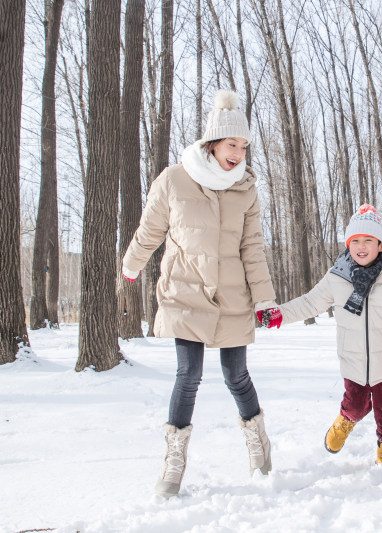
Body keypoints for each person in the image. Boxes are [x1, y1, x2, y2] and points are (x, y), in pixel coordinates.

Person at [122, 90, 277, 499]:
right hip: (185, 292)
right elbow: (151, 228)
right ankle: (174, 461)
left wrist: (264, 299)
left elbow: (252, 248)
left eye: (244, 146)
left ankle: (258, 442)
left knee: (235, 376)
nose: (239, 153)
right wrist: (132, 263)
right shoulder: (174, 178)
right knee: (187, 375)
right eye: (232, 144)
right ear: (212, 143)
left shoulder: (246, 188)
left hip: (232, 297)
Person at [259, 204, 382, 472]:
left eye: (369, 240)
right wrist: (279, 314)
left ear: (380, 245)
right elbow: (309, 303)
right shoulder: (336, 278)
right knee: (357, 405)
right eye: (356, 241)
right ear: (348, 244)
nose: (362, 246)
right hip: (352, 361)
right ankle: (345, 421)